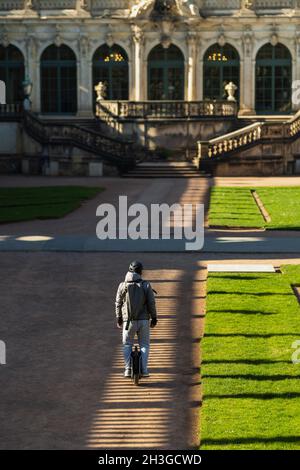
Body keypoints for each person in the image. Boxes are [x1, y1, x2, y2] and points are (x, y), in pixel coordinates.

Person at [115, 261, 158, 378]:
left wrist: (119, 317)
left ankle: (128, 369)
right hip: (143, 321)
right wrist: (154, 318)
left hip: (128, 321)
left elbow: (118, 303)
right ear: (140, 272)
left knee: (127, 344)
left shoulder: (122, 285)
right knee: (144, 345)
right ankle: (144, 370)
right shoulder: (146, 285)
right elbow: (151, 303)